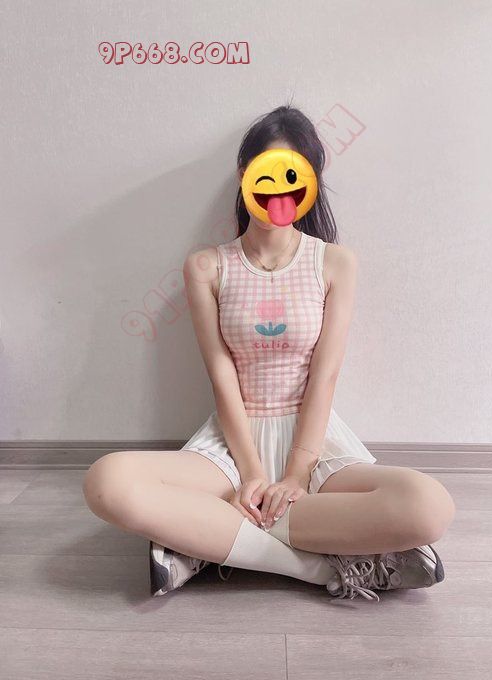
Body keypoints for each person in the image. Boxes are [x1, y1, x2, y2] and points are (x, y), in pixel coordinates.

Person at [82, 104, 456, 602]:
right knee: (106, 482)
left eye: (294, 175)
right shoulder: (207, 267)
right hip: (232, 446)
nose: (279, 189)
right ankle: (319, 567)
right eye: (268, 172)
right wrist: (254, 473)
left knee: (429, 506)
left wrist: (297, 473)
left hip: (314, 443)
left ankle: (204, 539)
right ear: (244, 175)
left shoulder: (335, 262)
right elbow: (221, 373)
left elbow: (324, 375)